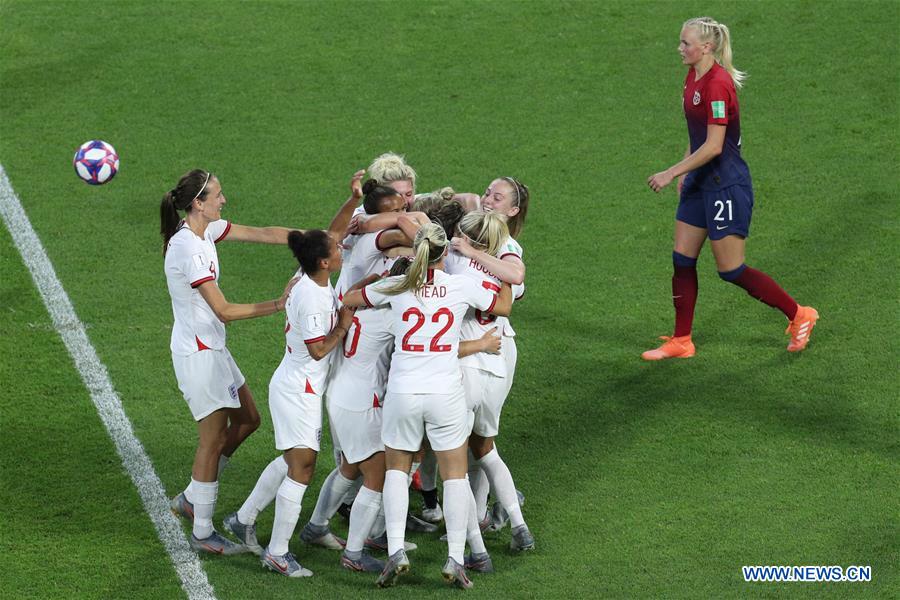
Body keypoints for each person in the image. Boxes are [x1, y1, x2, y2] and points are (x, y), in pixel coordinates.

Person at [343, 223, 512, 589]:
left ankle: (395, 551)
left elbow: (350, 299)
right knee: (455, 475)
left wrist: (380, 280)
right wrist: (503, 268)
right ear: (444, 253)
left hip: (403, 392)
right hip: (444, 392)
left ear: (415, 251)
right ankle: (455, 558)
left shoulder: (397, 285)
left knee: (396, 471)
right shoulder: (460, 286)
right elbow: (503, 305)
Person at [644, 16, 819, 360]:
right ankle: (682, 341)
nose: (679, 48)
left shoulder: (717, 85)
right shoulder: (693, 76)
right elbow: (697, 134)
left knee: (731, 270)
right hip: (699, 182)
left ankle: (800, 314)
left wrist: (671, 172)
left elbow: (713, 146)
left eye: (685, 43)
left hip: (725, 186)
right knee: (682, 259)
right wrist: (687, 171)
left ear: (706, 46)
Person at [161, 169, 299, 554]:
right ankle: (202, 531)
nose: (224, 200)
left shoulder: (206, 230)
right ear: (197, 203)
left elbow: (264, 233)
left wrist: (311, 238)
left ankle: (194, 495)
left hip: (213, 348)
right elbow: (223, 310)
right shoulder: (187, 249)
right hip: (199, 355)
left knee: (248, 420)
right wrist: (279, 304)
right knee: (212, 440)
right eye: (218, 195)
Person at [447, 211, 535, 556]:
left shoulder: (454, 263)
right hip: (497, 367)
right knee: (485, 449)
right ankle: (518, 524)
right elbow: (513, 285)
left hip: (465, 366)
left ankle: (475, 547)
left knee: (455, 460)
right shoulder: (503, 271)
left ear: (467, 237)